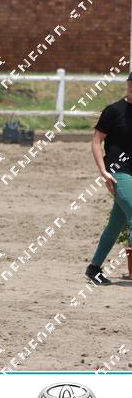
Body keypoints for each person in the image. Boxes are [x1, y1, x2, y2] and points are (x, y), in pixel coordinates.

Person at [85, 71, 132, 284]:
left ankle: (94, 268)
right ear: (127, 85)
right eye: (131, 84)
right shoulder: (114, 111)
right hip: (119, 172)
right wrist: (103, 171)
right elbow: (96, 141)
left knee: (115, 224)